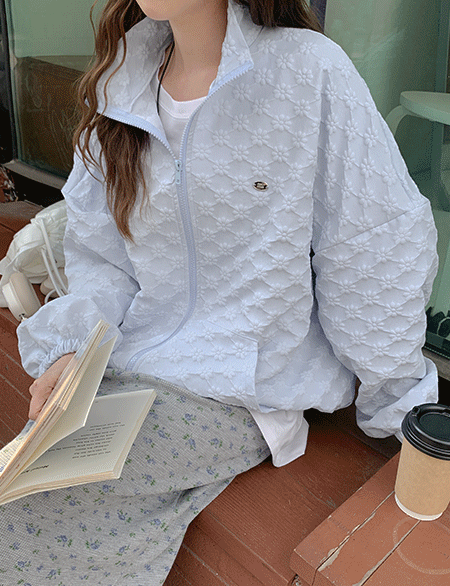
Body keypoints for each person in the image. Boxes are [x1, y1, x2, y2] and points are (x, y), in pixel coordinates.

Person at [0, 0, 439, 584]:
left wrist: (404, 407)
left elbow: (371, 245)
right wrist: (73, 347)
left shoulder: (306, 71)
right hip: (126, 367)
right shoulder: (122, 80)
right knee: (25, 484)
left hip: (239, 391)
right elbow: (103, 257)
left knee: (30, 512)